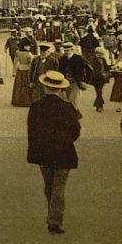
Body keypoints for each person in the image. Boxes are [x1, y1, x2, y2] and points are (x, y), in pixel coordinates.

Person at [27, 70, 81, 234]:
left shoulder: (36, 107)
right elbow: (76, 130)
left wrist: (37, 148)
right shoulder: (68, 107)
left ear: (45, 88)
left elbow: (32, 130)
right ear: (60, 89)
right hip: (64, 151)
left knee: (49, 185)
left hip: (44, 152)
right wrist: (66, 140)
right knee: (59, 186)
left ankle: (53, 217)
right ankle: (55, 220)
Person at [11, 40, 34, 107]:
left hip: (19, 70)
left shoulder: (18, 52)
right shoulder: (28, 54)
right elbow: (31, 64)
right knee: (26, 86)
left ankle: (17, 100)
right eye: (28, 46)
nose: (29, 47)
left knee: (19, 86)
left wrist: (14, 71)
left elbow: (15, 62)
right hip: (27, 70)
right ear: (25, 47)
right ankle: (26, 101)